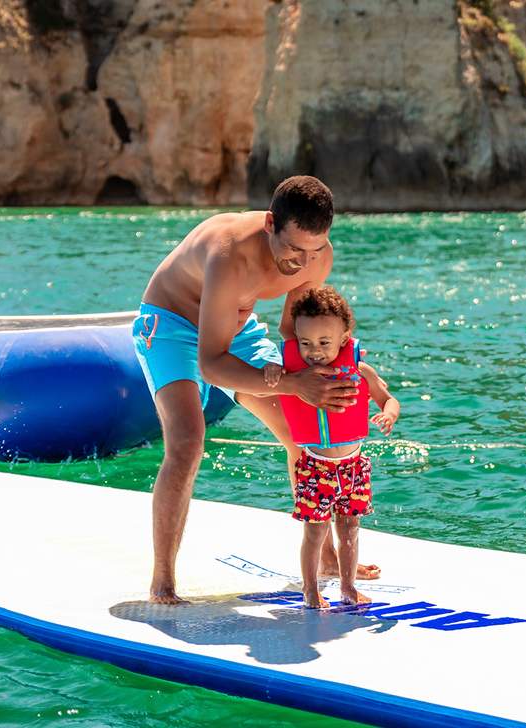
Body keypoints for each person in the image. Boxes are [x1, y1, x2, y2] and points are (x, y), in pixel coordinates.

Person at [133, 175, 378, 604]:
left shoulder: (317, 258)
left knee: (303, 437)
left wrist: (334, 377)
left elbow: (292, 334)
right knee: (188, 442)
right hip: (170, 323)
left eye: (314, 250)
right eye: (294, 250)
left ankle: (323, 557)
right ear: (270, 224)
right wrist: (291, 384)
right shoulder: (230, 256)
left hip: (237, 323)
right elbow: (212, 364)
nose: (303, 262)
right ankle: (163, 582)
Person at [262, 286, 400, 608]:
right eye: (306, 343)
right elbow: (271, 374)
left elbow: (388, 398)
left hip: (353, 465)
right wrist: (272, 369)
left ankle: (348, 588)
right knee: (315, 532)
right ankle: (311, 590)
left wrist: (388, 414)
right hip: (316, 466)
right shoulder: (293, 372)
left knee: (350, 530)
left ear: (344, 337)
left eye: (324, 342)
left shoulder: (360, 370)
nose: (315, 352)